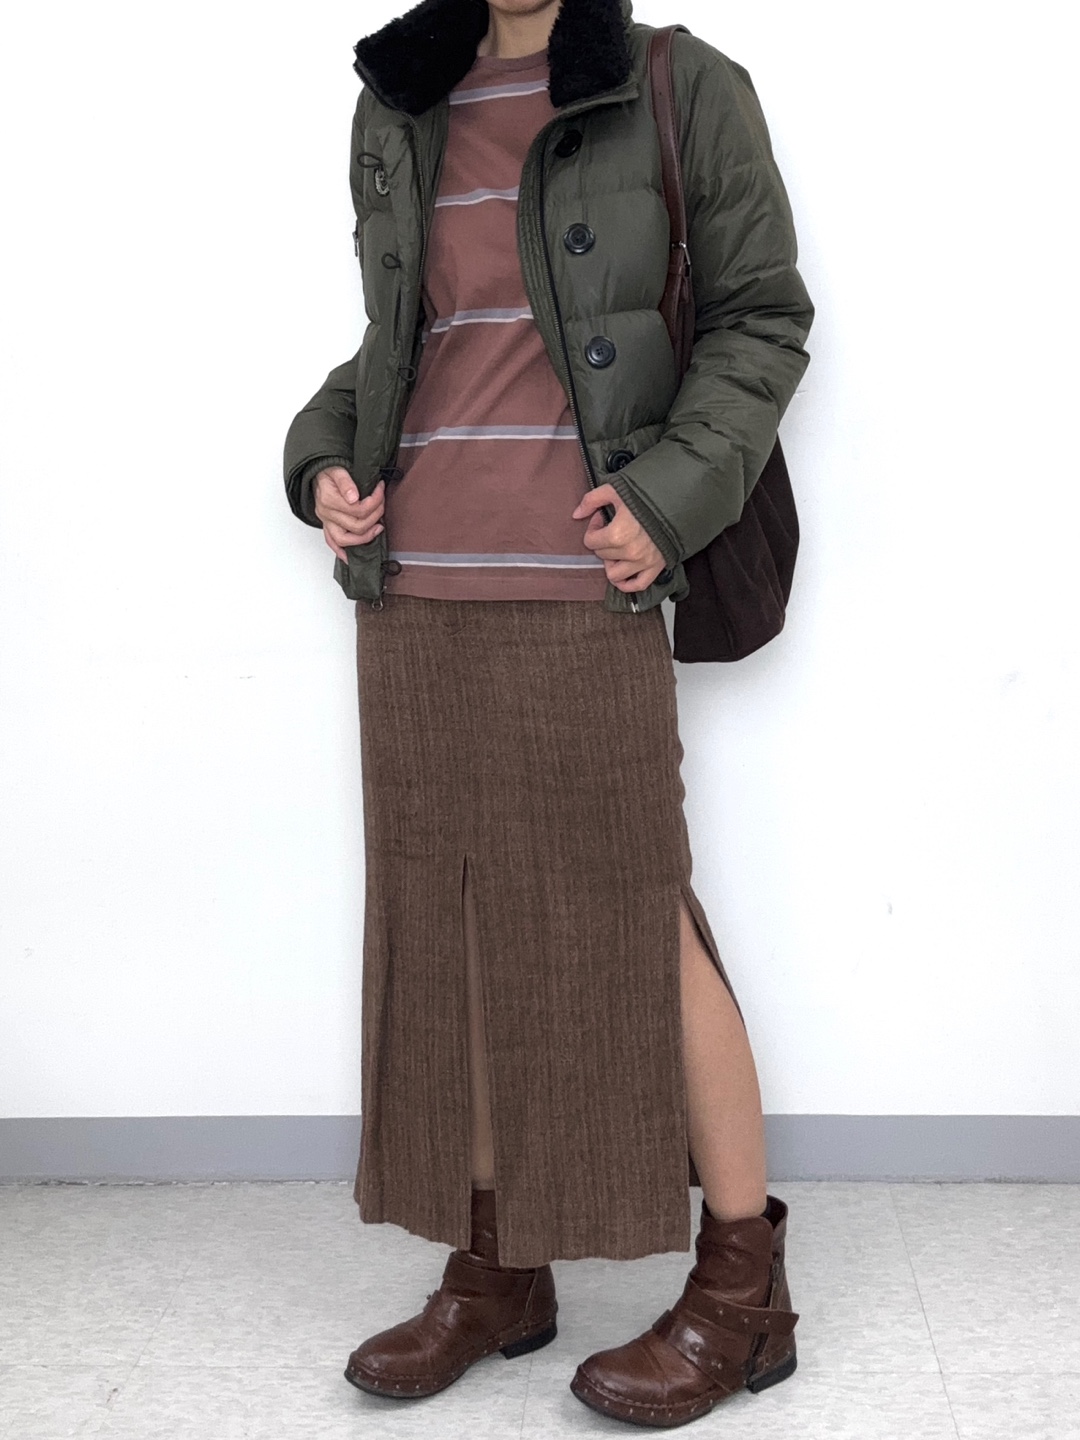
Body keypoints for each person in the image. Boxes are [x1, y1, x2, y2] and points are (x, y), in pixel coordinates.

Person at [282, 0, 813, 1427]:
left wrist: (667, 500)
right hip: (414, 591)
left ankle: (744, 1290)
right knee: (454, 924)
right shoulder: (401, 99)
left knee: (636, 913)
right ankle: (501, 1265)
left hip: (590, 587)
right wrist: (323, 457)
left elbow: (764, 319)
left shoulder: (677, 84)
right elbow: (403, 338)